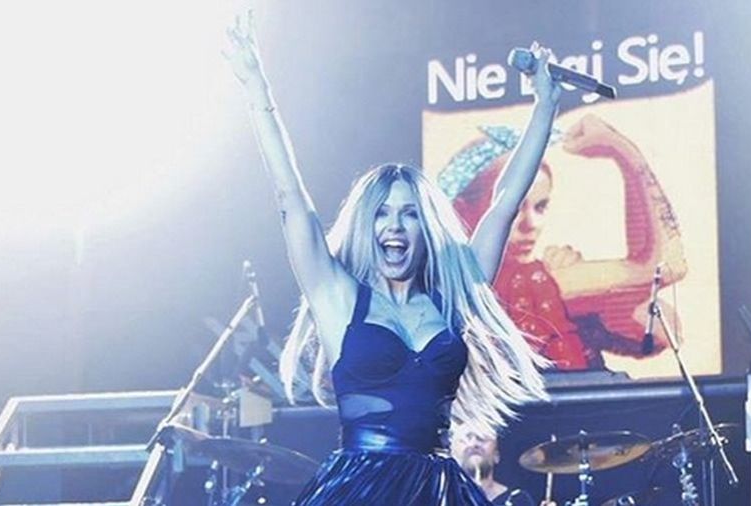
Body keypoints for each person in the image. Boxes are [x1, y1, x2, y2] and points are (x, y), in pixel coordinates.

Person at [224, 12, 558, 504]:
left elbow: (505, 203)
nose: (394, 226)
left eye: (409, 214)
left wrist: (545, 107)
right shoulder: (339, 297)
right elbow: (290, 196)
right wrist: (258, 91)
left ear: (426, 228)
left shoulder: (453, 296)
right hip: (360, 489)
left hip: (437, 488)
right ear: (368, 226)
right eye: (382, 213)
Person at [442, 115, 687, 370]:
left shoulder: (443, 288)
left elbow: (660, 328)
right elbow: (667, 266)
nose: (531, 224)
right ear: (461, 212)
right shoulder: (529, 282)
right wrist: (621, 150)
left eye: (540, 206)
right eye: (513, 208)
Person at [451, 424, 537, 506]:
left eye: (482, 438)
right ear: (453, 455)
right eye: (466, 439)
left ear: (496, 456)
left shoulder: (517, 499)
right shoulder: (445, 497)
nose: (474, 444)